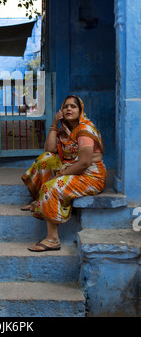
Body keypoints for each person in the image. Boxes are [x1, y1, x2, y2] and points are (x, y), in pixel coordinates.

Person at [21, 95, 106, 252]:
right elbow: (50, 149)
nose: (68, 109)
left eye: (73, 106)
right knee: (45, 159)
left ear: (80, 111)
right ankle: (40, 200)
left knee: (52, 186)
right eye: (66, 106)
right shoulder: (65, 130)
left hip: (91, 175)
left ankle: (53, 239)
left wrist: (62, 174)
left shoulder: (84, 130)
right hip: (73, 168)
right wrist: (54, 124)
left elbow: (84, 163)